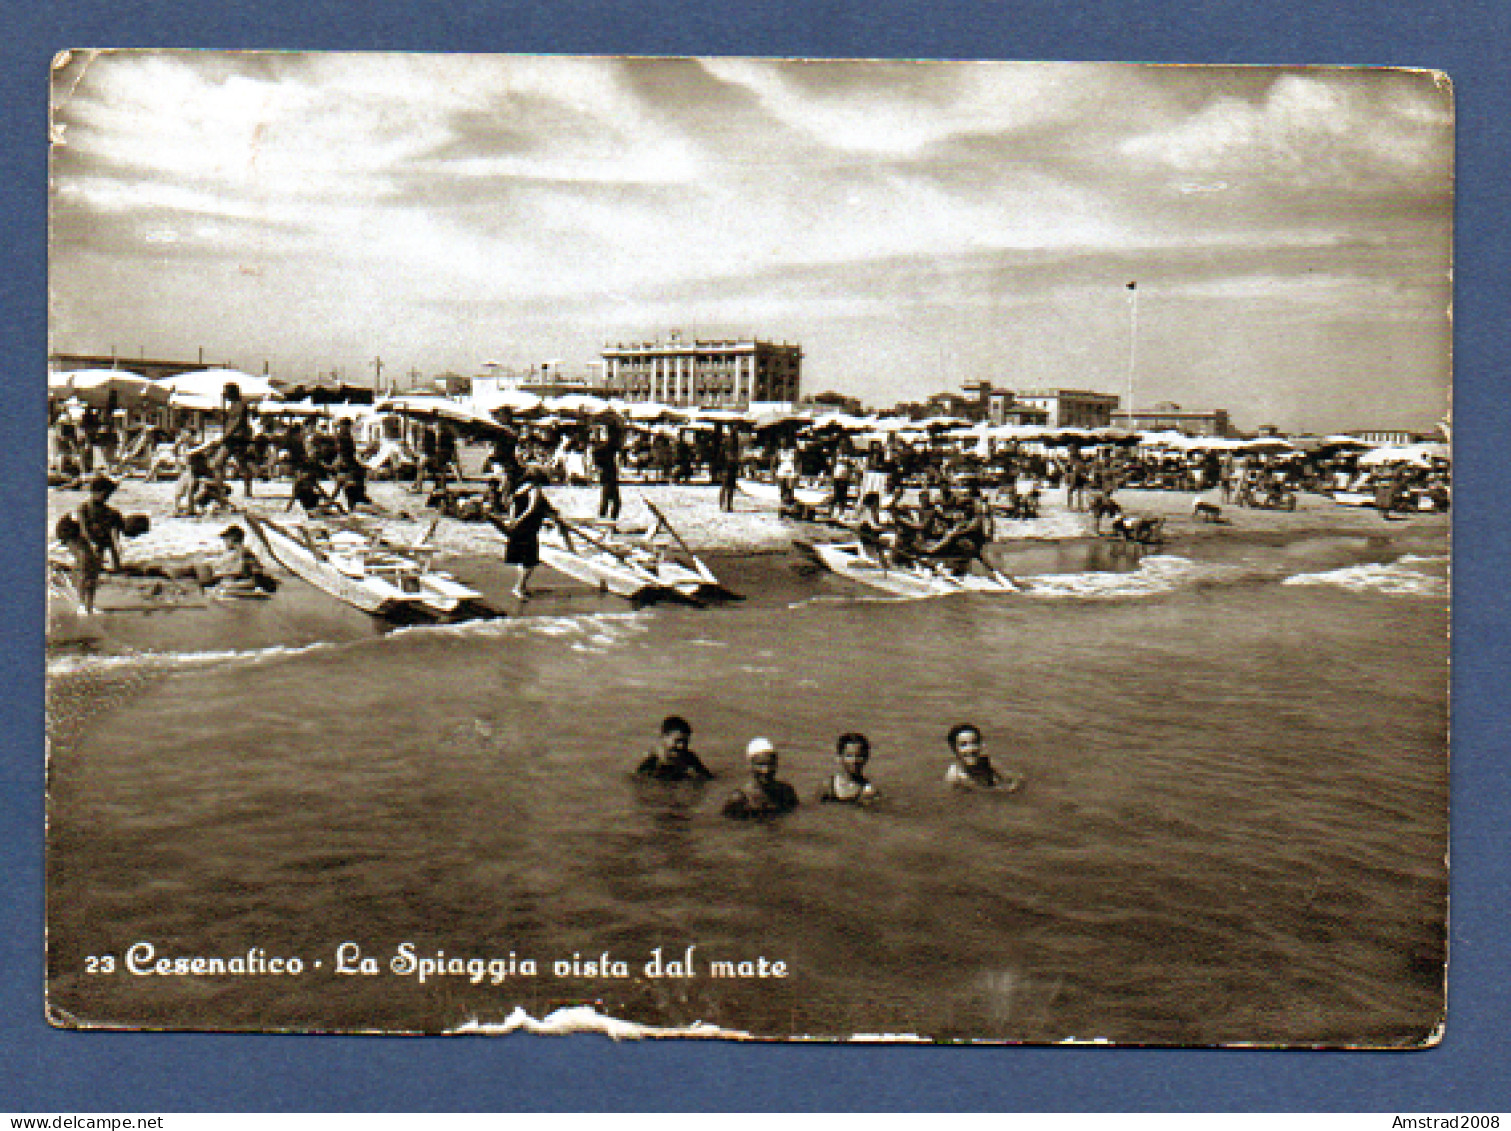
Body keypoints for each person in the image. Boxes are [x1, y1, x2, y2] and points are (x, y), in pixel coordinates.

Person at [489, 466, 559, 599]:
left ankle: (520, 585)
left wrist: (512, 520)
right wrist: (519, 520)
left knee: (523, 558)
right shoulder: (534, 489)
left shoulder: (519, 489)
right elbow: (532, 508)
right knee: (530, 560)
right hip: (528, 527)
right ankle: (519, 587)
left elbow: (512, 506)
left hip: (518, 527)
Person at [722, 737, 800, 818]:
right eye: (760, 765)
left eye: (770, 764)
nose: (766, 770)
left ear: (776, 764)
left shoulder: (786, 791)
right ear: (750, 765)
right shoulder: (740, 798)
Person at [943, 723, 1022, 792]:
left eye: (974, 743)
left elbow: (1016, 778)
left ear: (981, 745)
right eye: (963, 745)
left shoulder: (987, 762)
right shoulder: (954, 777)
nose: (971, 749)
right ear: (954, 749)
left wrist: (1013, 787)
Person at [635, 716, 715, 782]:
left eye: (685, 742)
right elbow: (637, 777)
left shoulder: (689, 756)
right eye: (677, 741)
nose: (682, 746)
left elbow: (708, 777)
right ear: (663, 737)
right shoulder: (655, 757)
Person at [817, 732, 878, 804]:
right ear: (839, 757)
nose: (854, 761)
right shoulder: (828, 785)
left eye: (859, 756)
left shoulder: (868, 790)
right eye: (849, 756)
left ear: (866, 758)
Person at [594, 421, 623, 522]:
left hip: (606, 476)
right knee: (614, 502)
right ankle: (608, 523)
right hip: (610, 476)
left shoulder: (599, 448)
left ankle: (605, 523)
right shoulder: (608, 447)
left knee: (608, 501)